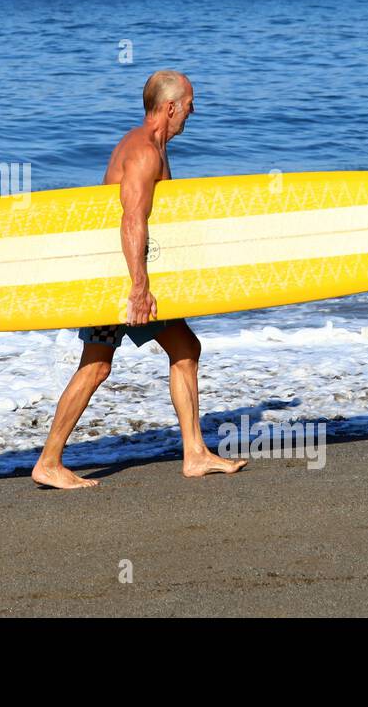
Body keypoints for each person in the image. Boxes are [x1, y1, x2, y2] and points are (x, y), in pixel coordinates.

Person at [31, 71, 248, 489]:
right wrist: (138, 288)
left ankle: (194, 453)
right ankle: (50, 461)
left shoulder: (147, 145)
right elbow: (132, 219)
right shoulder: (145, 152)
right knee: (100, 366)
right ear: (170, 108)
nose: (192, 110)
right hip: (123, 277)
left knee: (174, 350)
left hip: (126, 273)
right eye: (189, 103)